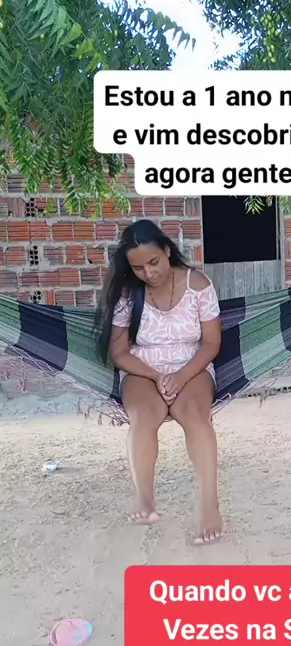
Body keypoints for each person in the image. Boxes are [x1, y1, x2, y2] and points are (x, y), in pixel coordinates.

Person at [96, 219, 223, 543]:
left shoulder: (198, 284)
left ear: (167, 250)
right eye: (138, 268)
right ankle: (146, 501)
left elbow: (211, 343)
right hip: (142, 368)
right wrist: (156, 375)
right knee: (143, 417)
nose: (148, 273)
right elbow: (119, 352)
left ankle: (209, 507)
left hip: (191, 366)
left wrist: (180, 376)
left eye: (153, 262)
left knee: (195, 417)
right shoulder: (128, 293)